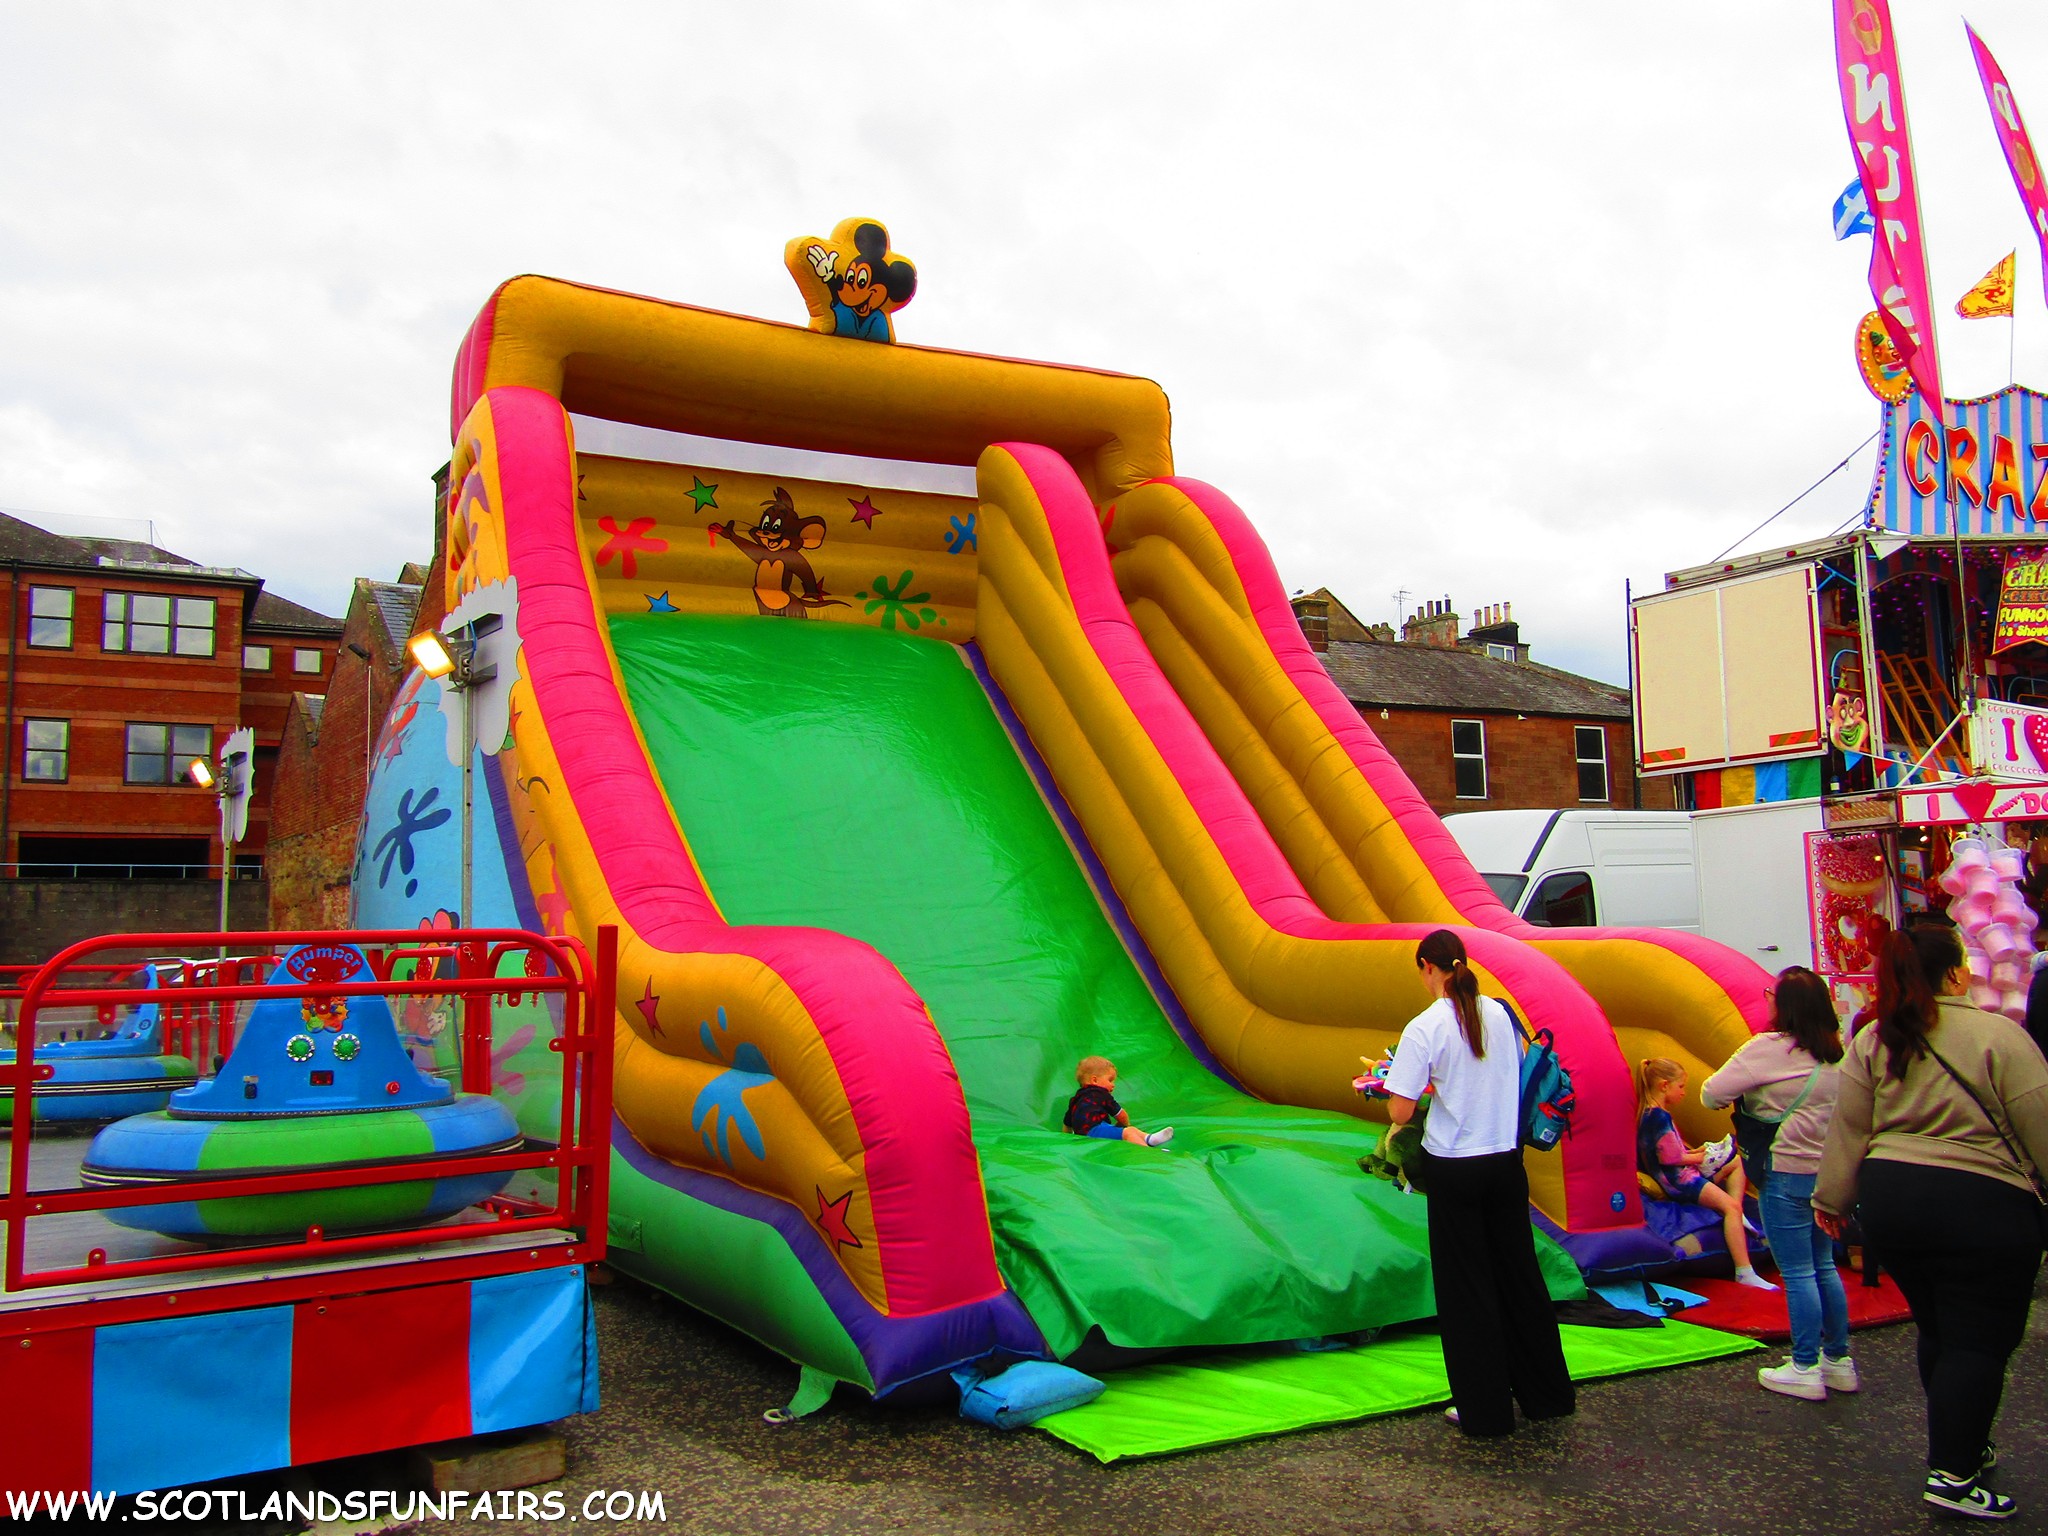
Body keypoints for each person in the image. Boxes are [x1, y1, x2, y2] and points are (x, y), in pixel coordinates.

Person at [1816, 924, 2048, 1522]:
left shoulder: (1875, 1039)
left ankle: (1964, 1444)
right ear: (1953, 974)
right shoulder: (1999, 1035)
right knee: (1979, 1339)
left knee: (1941, 1330)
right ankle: (1952, 1475)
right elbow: (2039, 1124)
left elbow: (1849, 1126)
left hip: (1892, 1200)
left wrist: (1831, 1200)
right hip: (1982, 1202)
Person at [1382, 929, 1574, 1437]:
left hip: (1455, 1167)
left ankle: (1484, 1409)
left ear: (1427, 966)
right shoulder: (1502, 1015)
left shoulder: (1425, 1027)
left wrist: (1392, 1086)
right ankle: (1547, 1394)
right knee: (1520, 1278)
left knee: (1467, 1290)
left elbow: (1399, 1109)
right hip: (1505, 1161)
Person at [1701, 966, 1852, 1400]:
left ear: (1783, 1006)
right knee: (1825, 1265)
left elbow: (1711, 1093)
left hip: (1784, 1171)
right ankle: (1838, 1360)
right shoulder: (1835, 1051)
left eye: (1771, 993)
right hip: (1826, 1172)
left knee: (1798, 1271)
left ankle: (1804, 1366)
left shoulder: (1767, 1050)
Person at [1637, 1058, 1775, 1290]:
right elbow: (1671, 1159)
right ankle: (1744, 1270)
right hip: (1681, 1182)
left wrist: (1701, 1150)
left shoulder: (1649, 1114)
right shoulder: (1659, 1117)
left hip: (1680, 1176)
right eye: (1680, 1086)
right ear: (1664, 1085)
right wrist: (1704, 1157)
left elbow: (1669, 1150)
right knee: (1730, 1207)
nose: (1683, 1093)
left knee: (1738, 1163)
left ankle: (1735, 1210)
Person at [1062, 1057, 1173, 1146]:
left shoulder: (1076, 1099)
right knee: (1129, 1132)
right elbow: (1122, 1116)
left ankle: (1150, 1138)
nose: (1113, 1084)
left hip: (1083, 1134)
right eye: (1110, 1080)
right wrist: (1124, 1126)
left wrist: (1069, 1140)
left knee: (1128, 1130)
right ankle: (1149, 1151)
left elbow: (1066, 1125)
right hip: (1093, 1132)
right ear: (1094, 1080)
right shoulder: (1101, 1094)